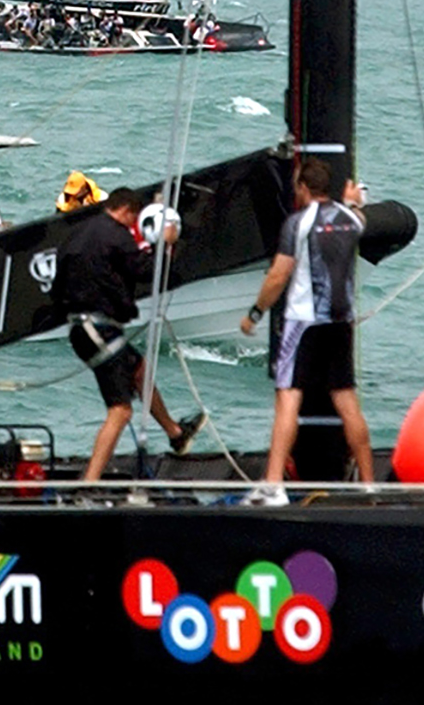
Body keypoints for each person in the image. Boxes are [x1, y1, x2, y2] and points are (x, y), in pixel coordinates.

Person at [240, 156, 372, 498]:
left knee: (288, 396)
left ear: (302, 188)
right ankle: (370, 485)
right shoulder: (353, 222)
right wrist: (353, 199)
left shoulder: (297, 223)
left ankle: (272, 484)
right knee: (346, 400)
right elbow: (357, 214)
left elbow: (279, 275)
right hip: (341, 323)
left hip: (304, 323)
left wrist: (255, 312)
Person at [54, 185, 204, 479]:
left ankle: (175, 434)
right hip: (96, 327)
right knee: (121, 410)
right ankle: (89, 483)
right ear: (127, 212)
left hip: (82, 327)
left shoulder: (79, 233)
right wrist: (167, 244)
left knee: (140, 371)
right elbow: (148, 271)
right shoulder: (117, 235)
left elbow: (58, 283)